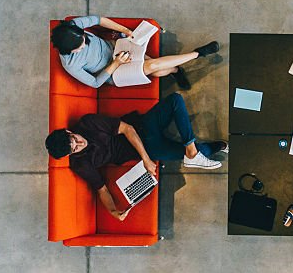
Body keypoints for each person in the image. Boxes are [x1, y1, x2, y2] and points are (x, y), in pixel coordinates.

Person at [45, 93, 226, 221]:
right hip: (150, 147)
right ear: (70, 154)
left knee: (175, 100)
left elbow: (127, 129)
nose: (79, 144)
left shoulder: (87, 123)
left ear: (70, 131)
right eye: (74, 149)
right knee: (201, 151)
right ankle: (215, 147)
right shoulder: (80, 165)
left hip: (142, 127)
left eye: (74, 139)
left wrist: (146, 160)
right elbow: (102, 189)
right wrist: (113, 211)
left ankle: (192, 151)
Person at [51, 15, 219, 91]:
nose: (85, 45)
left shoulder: (72, 25)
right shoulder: (71, 64)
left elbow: (99, 19)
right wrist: (116, 63)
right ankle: (199, 54)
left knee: (158, 70)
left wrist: (126, 30)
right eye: (80, 48)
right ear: (69, 51)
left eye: (84, 39)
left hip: (116, 47)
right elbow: (95, 83)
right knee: (153, 64)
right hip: (113, 73)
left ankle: (176, 70)